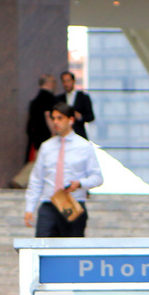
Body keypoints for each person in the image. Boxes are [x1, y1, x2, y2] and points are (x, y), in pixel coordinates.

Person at [23, 102, 103, 238]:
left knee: (71, 248)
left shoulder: (84, 146)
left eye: (60, 118)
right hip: (49, 204)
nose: (55, 122)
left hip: (72, 202)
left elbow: (97, 178)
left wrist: (80, 183)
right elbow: (36, 179)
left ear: (71, 120)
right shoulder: (46, 147)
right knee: (43, 246)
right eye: (53, 118)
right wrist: (29, 208)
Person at [25, 74, 57, 160]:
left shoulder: (34, 101)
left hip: (36, 141)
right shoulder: (50, 99)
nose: (55, 84)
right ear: (48, 83)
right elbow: (48, 118)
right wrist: (53, 133)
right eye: (53, 82)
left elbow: (29, 126)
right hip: (48, 140)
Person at [58, 70, 95, 141]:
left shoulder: (83, 97)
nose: (66, 84)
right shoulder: (59, 99)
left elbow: (91, 117)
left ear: (73, 81)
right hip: (63, 136)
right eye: (64, 81)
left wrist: (80, 117)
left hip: (79, 134)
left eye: (68, 81)